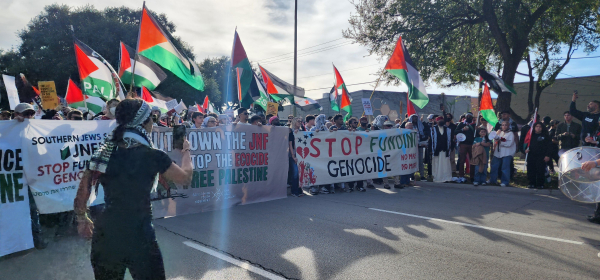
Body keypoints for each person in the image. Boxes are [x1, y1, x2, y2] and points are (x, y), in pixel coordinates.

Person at [74, 99, 193, 279]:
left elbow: (83, 190)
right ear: (143, 122)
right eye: (151, 119)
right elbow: (185, 178)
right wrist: (186, 153)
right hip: (139, 235)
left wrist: (82, 218)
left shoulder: (104, 152)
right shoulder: (153, 155)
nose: (153, 123)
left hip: (106, 234)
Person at [13, 103, 47, 249]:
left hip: (32, 178)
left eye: (30, 114)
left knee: (33, 210)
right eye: (25, 114)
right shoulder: (8, 130)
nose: (28, 117)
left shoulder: (37, 130)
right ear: (16, 115)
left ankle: (36, 239)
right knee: (15, 210)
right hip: (14, 179)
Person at [488, 121, 517, 187]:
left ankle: (505, 181)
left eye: (505, 125)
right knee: (494, 166)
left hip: (507, 153)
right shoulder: (499, 132)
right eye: (503, 125)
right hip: (497, 153)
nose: (504, 126)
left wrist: (500, 140)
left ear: (508, 126)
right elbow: (495, 140)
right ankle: (492, 180)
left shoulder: (510, 133)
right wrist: (496, 139)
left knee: (505, 168)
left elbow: (509, 143)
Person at [525, 122, 551, 189]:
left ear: (542, 128)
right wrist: (525, 150)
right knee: (531, 170)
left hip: (541, 156)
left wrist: (547, 155)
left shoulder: (546, 136)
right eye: (537, 126)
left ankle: (540, 184)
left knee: (540, 170)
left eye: (540, 127)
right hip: (531, 155)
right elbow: (525, 144)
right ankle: (531, 183)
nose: (538, 128)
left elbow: (549, 147)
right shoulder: (531, 135)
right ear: (534, 127)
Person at [430, 116, 454, 183]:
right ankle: (437, 177)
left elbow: (450, 139)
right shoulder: (433, 129)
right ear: (436, 121)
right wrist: (430, 150)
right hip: (437, 149)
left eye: (442, 120)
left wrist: (451, 148)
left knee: (445, 164)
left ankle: (446, 177)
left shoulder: (448, 129)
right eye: (439, 120)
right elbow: (431, 141)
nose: (441, 121)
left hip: (445, 149)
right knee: (437, 163)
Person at [455, 112, 476, 183]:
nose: (468, 117)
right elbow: (455, 131)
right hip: (463, 144)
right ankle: (461, 176)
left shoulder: (474, 125)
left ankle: (472, 176)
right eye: (467, 116)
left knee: (472, 161)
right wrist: (462, 130)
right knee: (462, 160)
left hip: (471, 145)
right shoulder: (461, 124)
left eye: (470, 116)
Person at [382, 121, 403, 189]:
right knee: (385, 169)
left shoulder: (395, 133)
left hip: (394, 154)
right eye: (387, 126)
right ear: (384, 127)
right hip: (384, 154)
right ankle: (386, 184)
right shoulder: (380, 133)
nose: (389, 127)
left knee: (395, 168)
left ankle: (397, 183)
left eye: (390, 126)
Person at [288, 117, 304, 197]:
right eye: (298, 121)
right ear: (294, 122)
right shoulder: (291, 132)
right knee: (295, 172)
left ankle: (299, 189)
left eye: (301, 121)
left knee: (300, 172)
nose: (300, 122)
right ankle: (294, 191)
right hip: (293, 155)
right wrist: (293, 156)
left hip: (301, 154)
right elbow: (290, 145)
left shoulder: (301, 131)